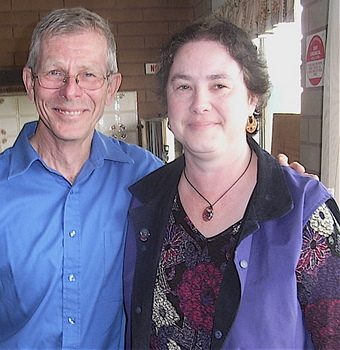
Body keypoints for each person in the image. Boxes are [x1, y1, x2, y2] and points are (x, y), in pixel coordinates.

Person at [123, 19, 340, 350]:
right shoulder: (145, 202)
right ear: (167, 101)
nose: (199, 103)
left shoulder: (306, 214)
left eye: (219, 85)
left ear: (252, 97)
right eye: (183, 86)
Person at [0, 7, 163, 349]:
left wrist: (278, 182)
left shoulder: (148, 177)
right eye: (55, 72)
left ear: (110, 87)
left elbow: (217, 210)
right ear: (31, 83)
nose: (70, 91)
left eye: (88, 74)